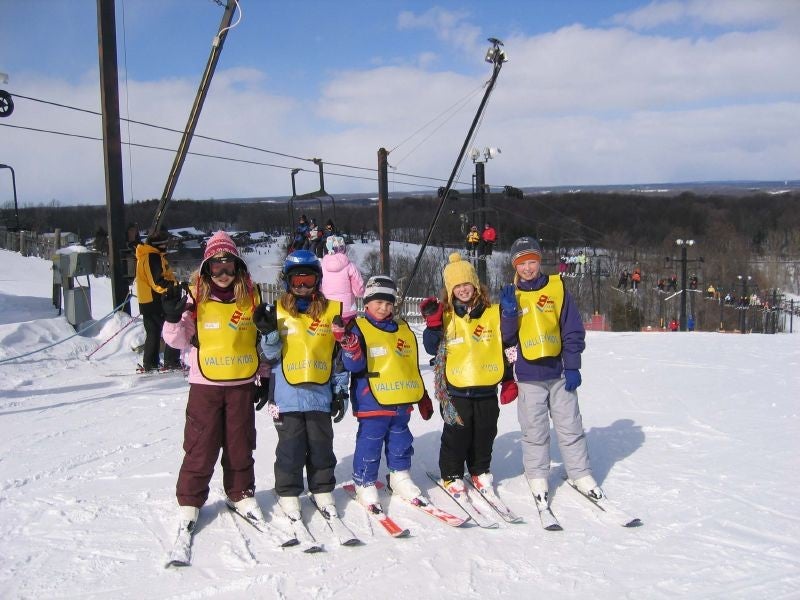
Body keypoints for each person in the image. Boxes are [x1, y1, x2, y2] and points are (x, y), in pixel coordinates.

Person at [161, 231, 270, 536]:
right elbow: (177, 340)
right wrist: (172, 319)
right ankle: (190, 501)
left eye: (228, 267)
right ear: (207, 269)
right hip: (205, 384)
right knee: (201, 444)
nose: (223, 275)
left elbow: (256, 341)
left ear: (237, 267)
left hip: (241, 382)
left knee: (240, 443)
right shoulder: (195, 299)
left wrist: (264, 375)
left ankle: (241, 493)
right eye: (216, 268)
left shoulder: (251, 297)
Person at [500, 237, 603, 513]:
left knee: (570, 425)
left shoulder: (557, 288)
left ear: (539, 261)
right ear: (515, 266)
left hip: (558, 373)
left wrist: (572, 365)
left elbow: (571, 329)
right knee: (534, 430)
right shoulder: (512, 294)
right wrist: (508, 314)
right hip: (529, 375)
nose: (528, 268)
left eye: (532, 261)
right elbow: (507, 338)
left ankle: (580, 473)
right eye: (522, 264)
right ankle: (537, 476)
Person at [255, 249, 344, 517]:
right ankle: (288, 490)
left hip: (319, 394)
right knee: (290, 448)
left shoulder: (331, 312)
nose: (303, 287)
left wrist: (339, 391)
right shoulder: (278, 312)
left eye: (308, 280)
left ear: (318, 281)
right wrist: (269, 332)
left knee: (321, 446)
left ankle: (322, 488)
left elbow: (338, 356)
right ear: (287, 282)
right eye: (297, 281)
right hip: (286, 396)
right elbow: (268, 357)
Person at [335, 275, 434, 504]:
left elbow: (409, 365)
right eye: (378, 302)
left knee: (401, 441)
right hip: (372, 400)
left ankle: (400, 476)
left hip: (401, 399)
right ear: (366, 303)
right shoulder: (358, 328)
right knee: (370, 442)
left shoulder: (402, 328)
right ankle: (364, 481)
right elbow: (354, 365)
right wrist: (349, 345)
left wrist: (421, 395)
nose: (383, 307)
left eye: (389, 303)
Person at [420, 253, 510, 496]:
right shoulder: (446, 315)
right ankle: (451, 474)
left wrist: (510, 377)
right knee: (457, 433)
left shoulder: (492, 313)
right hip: (455, 388)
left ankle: (480, 470)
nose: (462, 290)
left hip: (486, 385)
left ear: (476, 285)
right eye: (456, 286)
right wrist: (433, 324)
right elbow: (430, 346)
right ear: (449, 290)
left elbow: (507, 345)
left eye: (466, 284)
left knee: (485, 431)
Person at [320, 234, 365, 424]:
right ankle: (340, 386)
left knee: (328, 349)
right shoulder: (349, 266)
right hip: (347, 314)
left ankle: (325, 383)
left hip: (328, 313)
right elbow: (359, 290)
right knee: (345, 348)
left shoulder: (321, 265)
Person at [135, 231, 182, 371]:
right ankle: (170, 361)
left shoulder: (147, 255)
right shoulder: (152, 256)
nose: (166, 246)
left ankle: (151, 363)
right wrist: (173, 287)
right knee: (173, 327)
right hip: (155, 300)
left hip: (148, 300)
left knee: (154, 331)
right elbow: (157, 281)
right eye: (164, 243)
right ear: (158, 244)